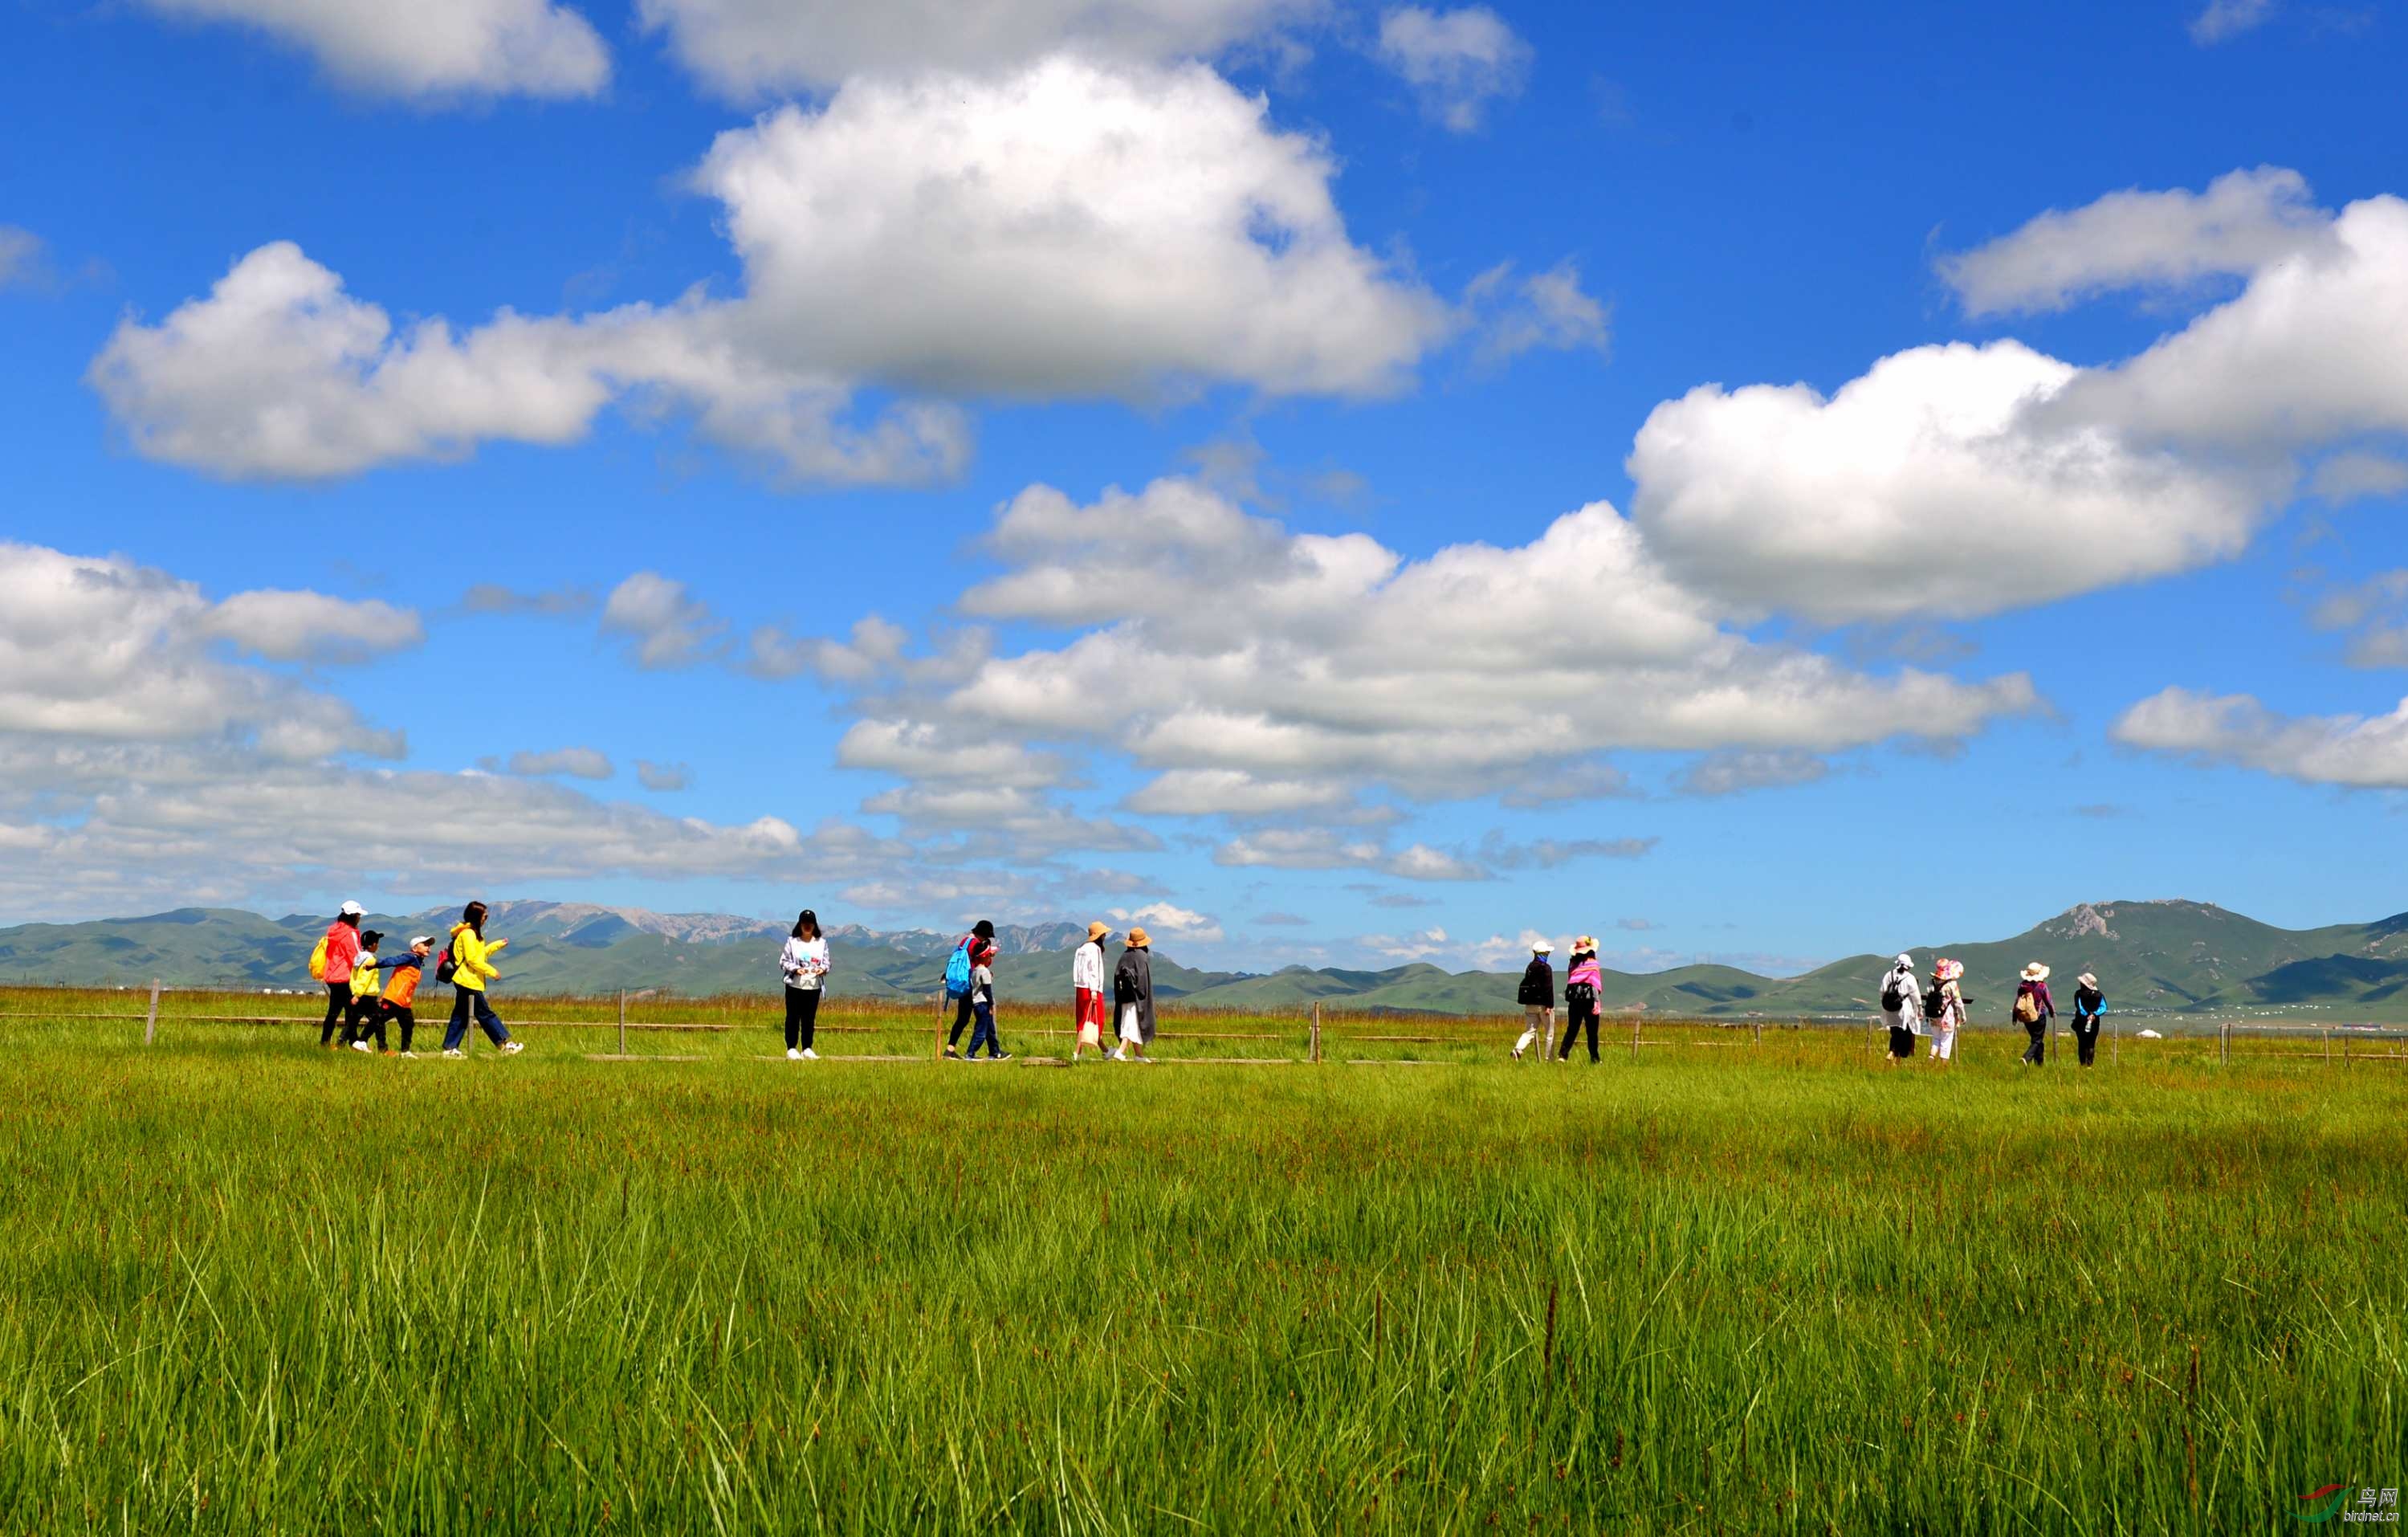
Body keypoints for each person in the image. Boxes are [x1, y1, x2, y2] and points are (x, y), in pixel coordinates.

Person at [442, 901, 524, 1058]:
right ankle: (504, 1044)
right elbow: (473, 960)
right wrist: (492, 972)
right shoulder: (467, 934)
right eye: (485, 915)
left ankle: (450, 1048)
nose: (486, 918)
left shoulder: (475, 935)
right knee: (486, 1014)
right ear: (477, 916)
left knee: (461, 1015)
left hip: (470, 980)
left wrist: (497, 945)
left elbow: (480, 955)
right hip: (467, 980)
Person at [779, 909, 830, 1061]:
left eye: (810, 923)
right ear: (800, 925)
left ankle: (807, 1047)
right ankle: (791, 1048)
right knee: (793, 1017)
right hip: (795, 985)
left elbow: (827, 963)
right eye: (804, 923)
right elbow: (783, 961)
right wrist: (796, 969)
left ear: (815, 925)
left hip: (813, 986)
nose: (807, 926)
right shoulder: (792, 942)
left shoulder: (822, 943)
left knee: (809, 1018)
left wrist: (823, 969)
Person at [943, 919, 996, 1061]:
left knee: (963, 1019)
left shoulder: (964, 942)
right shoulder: (977, 945)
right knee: (985, 1017)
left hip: (962, 983)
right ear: (984, 934)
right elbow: (982, 961)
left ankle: (950, 1050)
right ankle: (989, 1052)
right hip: (972, 985)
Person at [315, 901, 365, 1048]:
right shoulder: (350, 933)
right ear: (354, 916)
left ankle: (325, 1042)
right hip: (346, 976)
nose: (360, 918)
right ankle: (348, 1042)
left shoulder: (333, 931)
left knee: (334, 1012)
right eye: (358, 915)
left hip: (332, 975)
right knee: (353, 1012)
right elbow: (356, 956)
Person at [377, 937, 433, 1058]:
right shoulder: (410, 957)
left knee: (408, 1024)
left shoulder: (418, 962)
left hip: (404, 1001)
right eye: (425, 944)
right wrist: (376, 964)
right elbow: (393, 961)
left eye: (429, 944)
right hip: (395, 997)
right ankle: (366, 1043)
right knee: (378, 1020)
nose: (429, 947)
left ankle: (405, 1051)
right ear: (414, 948)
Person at [1112, 926, 1156, 1062]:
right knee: (1131, 1024)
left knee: (1130, 1022)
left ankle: (1139, 1055)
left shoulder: (1124, 956)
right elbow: (1143, 980)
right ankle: (1121, 1051)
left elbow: (1117, 975)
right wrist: (1142, 995)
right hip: (1136, 997)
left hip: (1124, 996)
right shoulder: (1141, 957)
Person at [1556, 937, 1602, 1063]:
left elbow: (1571, 979)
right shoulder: (1593, 964)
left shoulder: (1572, 965)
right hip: (1589, 1000)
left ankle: (1563, 1055)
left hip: (1575, 1001)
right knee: (1592, 1032)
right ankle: (1594, 1057)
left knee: (1572, 1029)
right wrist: (1596, 1002)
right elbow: (1595, 985)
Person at [1071, 922, 1111, 1062]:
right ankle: (1077, 1052)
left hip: (1080, 987)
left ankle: (1105, 1050)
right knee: (1096, 1020)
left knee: (1084, 1019)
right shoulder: (1095, 949)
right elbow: (1094, 971)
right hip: (1091, 988)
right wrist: (1094, 990)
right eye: (1103, 934)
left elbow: (1077, 969)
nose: (1105, 936)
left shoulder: (1081, 948)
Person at [965, 941, 1010, 1061]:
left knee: (990, 1029)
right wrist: (991, 1005)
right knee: (981, 1031)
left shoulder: (974, 971)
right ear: (985, 957)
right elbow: (987, 991)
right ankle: (970, 1053)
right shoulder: (984, 972)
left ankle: (995, 1052)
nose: (992, 958)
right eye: (990, 955)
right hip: (984, 1004)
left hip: (977, 1003)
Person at [1513, 940, 1554, 1060]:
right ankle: (1549, 1060)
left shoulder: (1530, 967)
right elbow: (1548, 988)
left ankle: (1518, 1049)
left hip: (1529, 1004)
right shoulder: (1546, 968)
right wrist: (1549, 1006)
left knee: (1529, 1032)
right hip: (1543, 1005)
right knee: (1549, 1034)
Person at [344, 932, 385, 1054]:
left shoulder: (358, 957)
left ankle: (342, 1042)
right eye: (377, 943)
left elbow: (354, 976)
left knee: (354, 1020)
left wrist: (355, 992)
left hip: (358, 992)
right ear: (373, 945)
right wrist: (358, 994)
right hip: (367, 994)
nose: (377, 945)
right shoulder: (371, 960)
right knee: (378, 1018)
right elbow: (365, 979)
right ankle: (367, 1043)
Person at [1879, 952, 1920, 1064]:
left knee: (1894, 1033)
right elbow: (1916, 996)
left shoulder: (1889, 975)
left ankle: (1893, 1055)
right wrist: (1919, 1009)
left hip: (1890, 1009)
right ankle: (1896, 1055)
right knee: (1904, 1034)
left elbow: (1882, 991)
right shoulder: (1910, 978)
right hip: (1904, 1009)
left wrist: (1886, 1002)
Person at [1926, 958, 1966, 1066]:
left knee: (1936, 1039)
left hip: (1933, 1015)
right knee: (1946, 1042)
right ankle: (1943, 1066)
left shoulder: (1931, 982)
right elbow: (1958, 1002)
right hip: (1947, 1016)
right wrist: (1963, 1015)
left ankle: (1932, 1056)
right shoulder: (1952, 984)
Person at [2014, 961, 2056, 1066]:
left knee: (2037, 1040)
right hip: (2039, 1016)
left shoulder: (2022, 985)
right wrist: (2052, 1012)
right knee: (2037, 1040)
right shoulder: (2041, 986)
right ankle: (2027, 1057)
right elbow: (2048, 1001)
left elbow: (2017, 1001)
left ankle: (2039, 1064)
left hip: (2026, 1016)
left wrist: (2015, 1016)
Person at [2070, 972, 2106, 1067]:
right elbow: (2104, 1007)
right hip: (2095, 1022)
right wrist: (2094, 1014)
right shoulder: (2099, 995)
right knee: (2091, 1044)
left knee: (2082, 1043)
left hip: (2081, 1021)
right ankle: (2090, 1065)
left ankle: (2083, 1064)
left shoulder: (2078, 994)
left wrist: (2087, 1015)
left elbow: (2080, 1007)